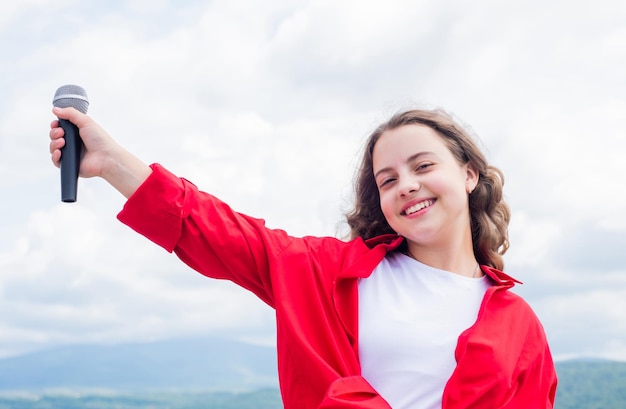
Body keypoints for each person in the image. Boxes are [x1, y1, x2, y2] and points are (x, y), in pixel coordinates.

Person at [48, 105, 557, 408]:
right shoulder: (327, 272)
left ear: (468, 175)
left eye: (423, 165)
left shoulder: (519, 327)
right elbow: (217, 229)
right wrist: (111, 162)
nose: (407, 185)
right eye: (387, 179)